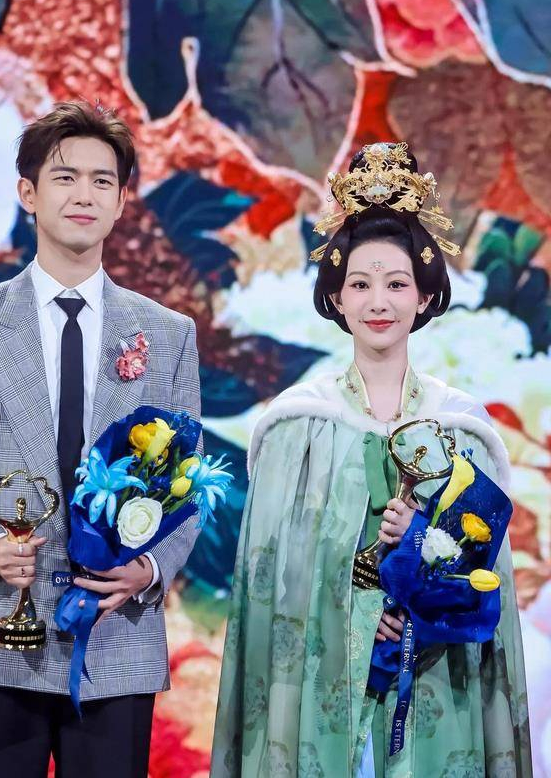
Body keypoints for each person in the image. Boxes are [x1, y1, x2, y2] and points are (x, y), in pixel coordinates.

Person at [211, 143, 531, 776]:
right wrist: (359, 607)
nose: (377, 301)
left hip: (435, 674)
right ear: (336, 298)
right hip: (321, 676)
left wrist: (418, 593)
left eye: (396, 284)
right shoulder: (298, 426)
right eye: (360, 284)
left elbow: (484, 581)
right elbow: (274, 583)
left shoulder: (462, 428)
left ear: (424, 297)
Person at [0, 101, 201, 778]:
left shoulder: (166, 334)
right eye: (65, 177)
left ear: (122, 201)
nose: (84, 195)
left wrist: (149, 568)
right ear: (28, 192)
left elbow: (187, 486)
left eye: (103, 181)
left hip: (115, 636)